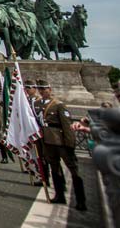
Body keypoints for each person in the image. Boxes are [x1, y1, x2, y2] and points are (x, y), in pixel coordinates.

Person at [37, 79, 86, 211]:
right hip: (48, 141)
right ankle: (59, 195)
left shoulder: (59, 105)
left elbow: (67, 126)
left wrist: (70, 144)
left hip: (61, 142)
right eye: (40, 89)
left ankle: (80, 200)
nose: (42, 91)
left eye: (44, 89)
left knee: (73, 170)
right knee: (55, 168)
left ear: (50, 89)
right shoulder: (38, 104)